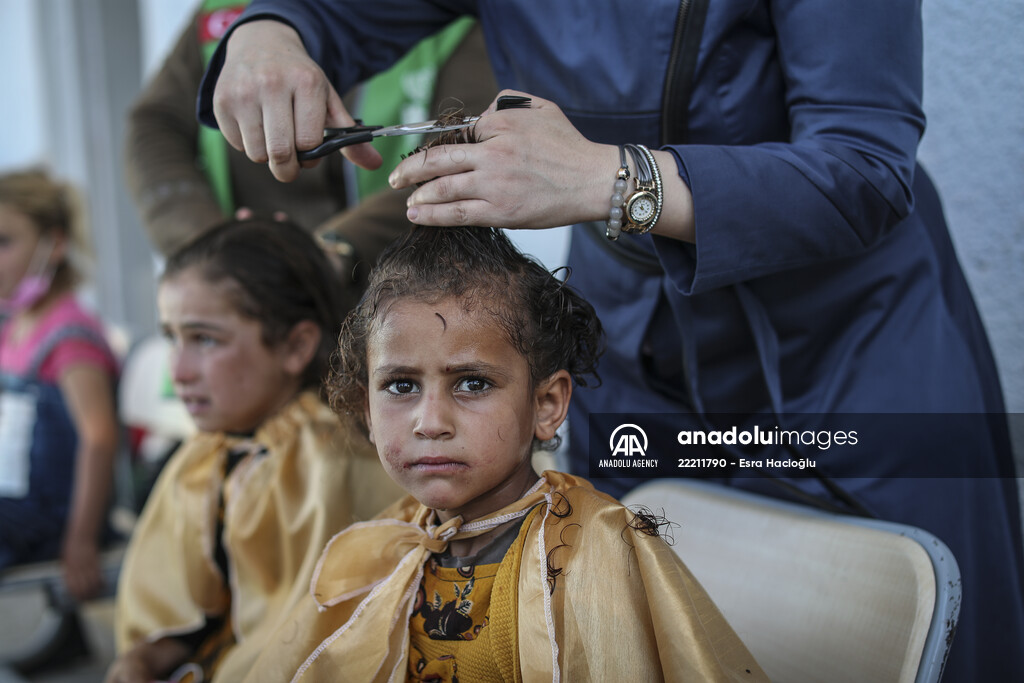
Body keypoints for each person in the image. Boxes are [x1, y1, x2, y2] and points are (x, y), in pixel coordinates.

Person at [197, 2, 1024, 679]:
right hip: (633, 342)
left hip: (848, 339)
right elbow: (329, 13)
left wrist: (612, 179)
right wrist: (270, 29)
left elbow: (865, 167)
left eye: (468, 384)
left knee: (903, 621)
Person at [238, 225, 767, 682]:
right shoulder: (380, 548)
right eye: (401, 386)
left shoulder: (596, 553)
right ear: (367, 413)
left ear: (546, 404)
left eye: (472, 383)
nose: (430, 422)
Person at [106, 219, 404, 683]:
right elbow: (186, 613)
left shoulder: (329, 460)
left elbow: (306, 645)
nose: (178, 371)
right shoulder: (210, 450)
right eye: (172, 338)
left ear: (296, 346)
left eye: (205, 339)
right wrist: (142, 659)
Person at [125, 0, 497, 277]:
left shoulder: (458, 17)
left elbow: (471, 150)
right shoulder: (220, 11)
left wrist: (333, 253)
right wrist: (213, 249)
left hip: (388, 286)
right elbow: (155, 125)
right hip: (237, 289)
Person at [0, 169, 120, 602]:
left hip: (52, 518)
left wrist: (81, 539)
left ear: (54, 245)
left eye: (4, 242)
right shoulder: (13, 326)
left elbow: (99, 438)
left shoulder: (68, 335)